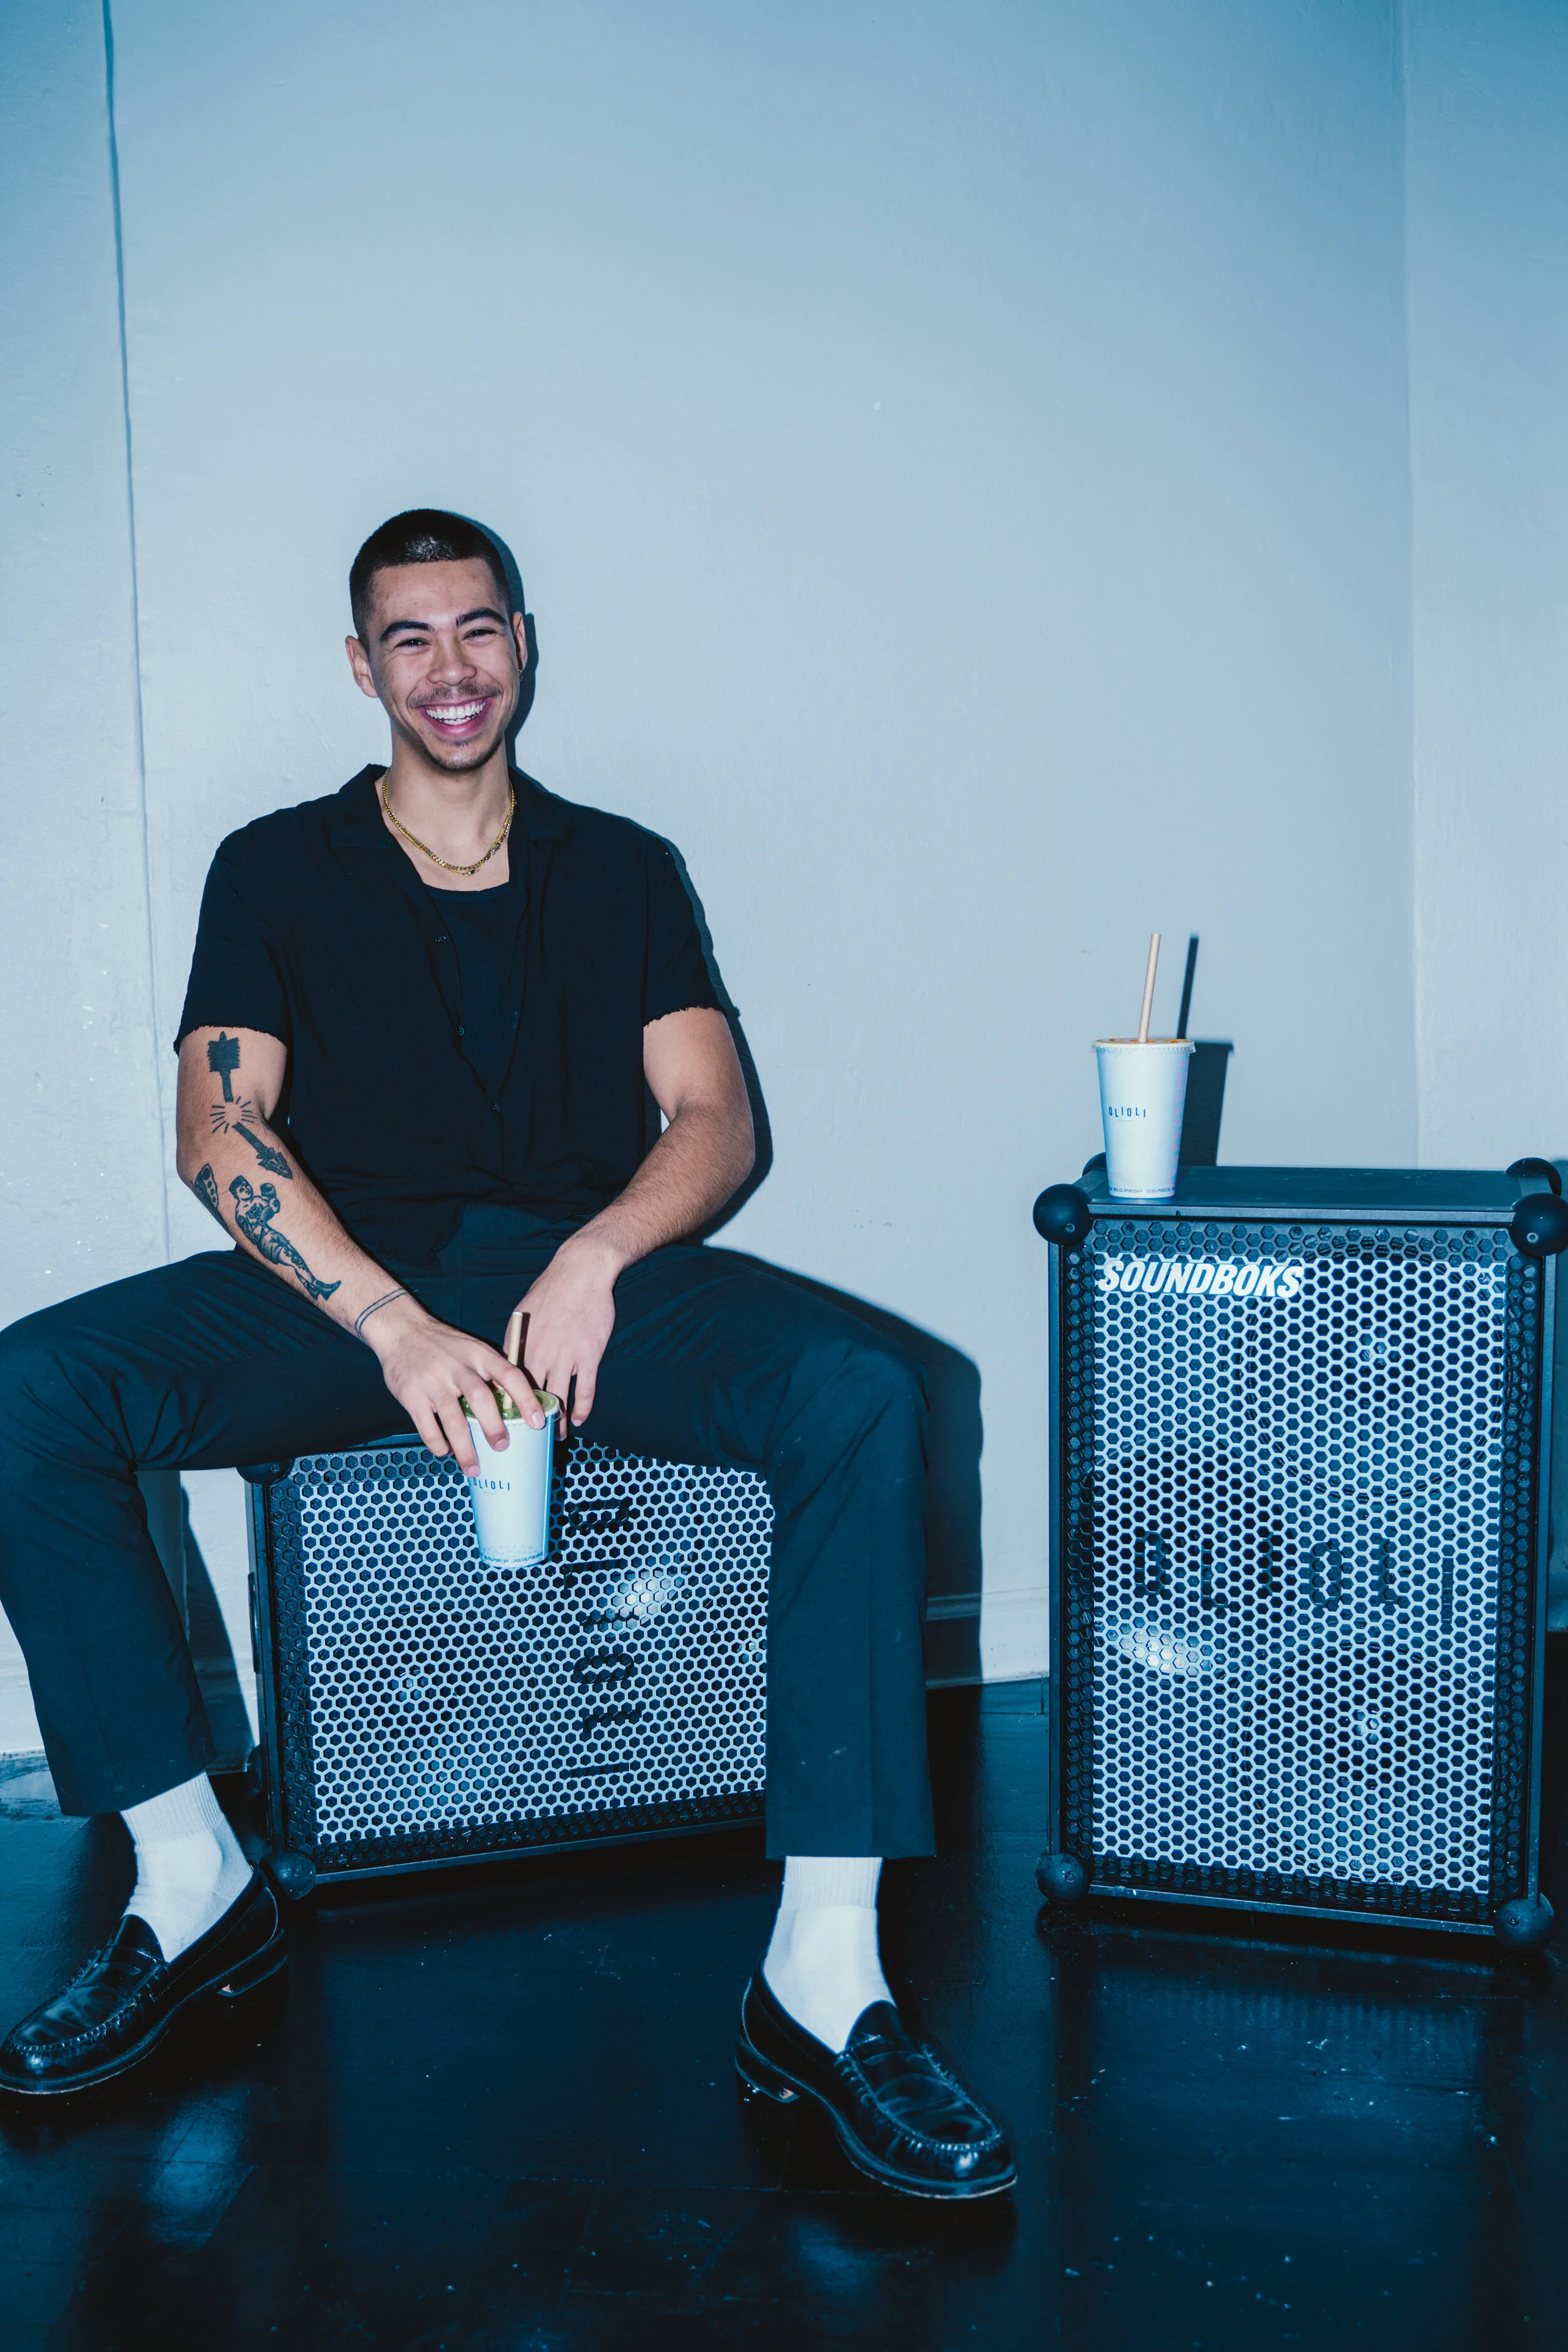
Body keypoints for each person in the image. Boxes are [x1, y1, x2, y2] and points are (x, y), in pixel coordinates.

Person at [0, 511, 1012, 2199]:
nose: (449, 670)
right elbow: (215, 1126)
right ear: (360, 665)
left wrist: (601, 1253)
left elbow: (714, 1117)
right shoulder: (275, 865)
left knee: (864, 1393)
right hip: (348, 1295)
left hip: (576, 1284)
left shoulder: (620, 868)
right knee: (35, 1388)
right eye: (410, 637)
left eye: (478, 631)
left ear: (523, 645)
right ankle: (191, 1885)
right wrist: (388, 1319)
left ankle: (822, 1977)